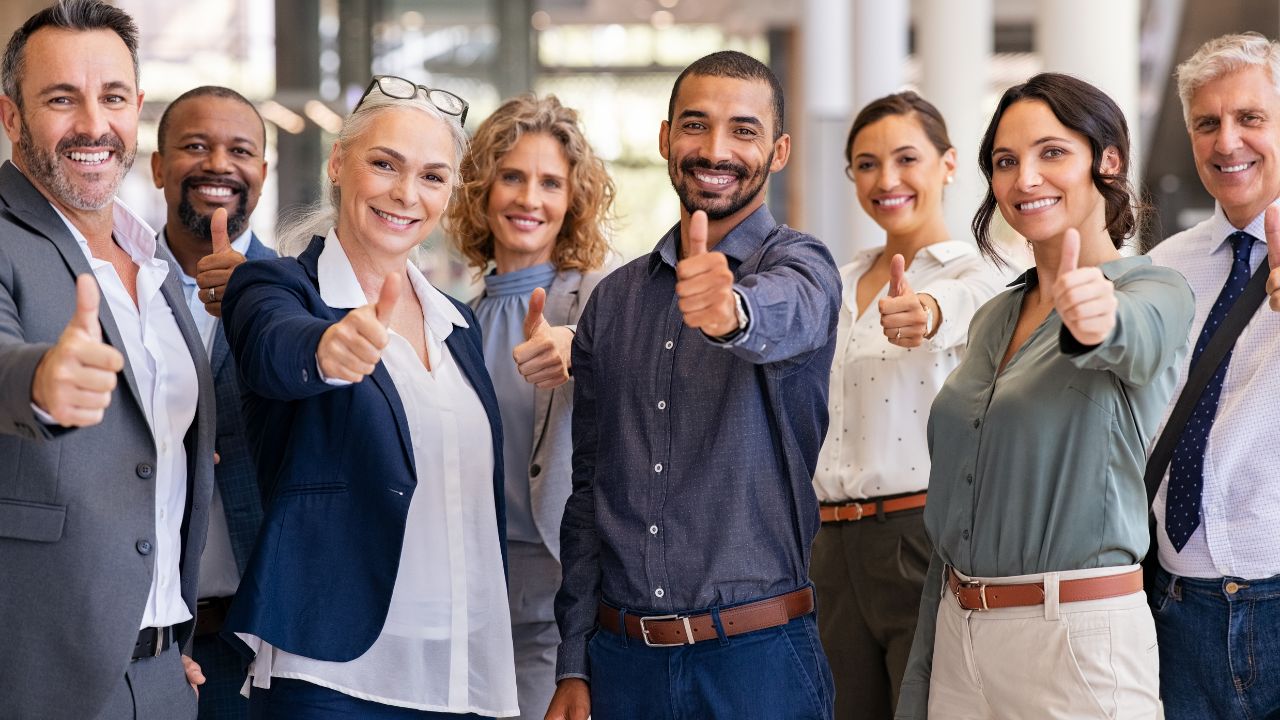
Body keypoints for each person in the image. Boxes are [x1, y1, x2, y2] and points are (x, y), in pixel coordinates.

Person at [545, 50, 841, 720]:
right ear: (664, 137)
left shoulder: (802, 264)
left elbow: (790, 310)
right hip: (621, 667)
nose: (715, 149)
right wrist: (574, 661)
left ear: (779, 149)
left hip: (757, 664)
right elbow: (588, 494)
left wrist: (731, 311)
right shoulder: (613, 302)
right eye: (695, 125)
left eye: (743, 130)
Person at [896, 73, 1195, 720]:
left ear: (1107, 161)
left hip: (1076, 640)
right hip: (960, 629)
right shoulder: (993, 319)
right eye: (1006, 161)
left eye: (1052, 152)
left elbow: (1133, 338)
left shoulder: (1155, 290)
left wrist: (1097, 318)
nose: (1025, 177)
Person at [219, 75, 517, 719]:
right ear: (338, 163)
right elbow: (275, 348)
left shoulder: (456, 323)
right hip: (333, 674)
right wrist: (327, 350)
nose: (406, 194)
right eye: (385, 164)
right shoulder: (279, 287)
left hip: (457, 664)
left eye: (433, 177)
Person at [0, 1, 215, 718]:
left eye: (112, 97)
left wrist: (168, 636)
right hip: (31, 684)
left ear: (137, 109)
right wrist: (38, 380)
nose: (93, 124)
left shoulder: (152, 258)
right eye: (61, 99)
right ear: (10, 118)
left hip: (160, 676)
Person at [811, 91, 1004, 719]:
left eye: (905, 159)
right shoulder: (832, 281)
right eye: (866, 164)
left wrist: (925, 311)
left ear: (949, 164)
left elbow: (956, 310)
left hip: (916, 538)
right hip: (826, 548)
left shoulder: (982, 274)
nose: (885, 180)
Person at [445, 93, 615, 720]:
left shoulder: (600, 300)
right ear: (482, 188)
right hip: (465, 581)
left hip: (561, 589)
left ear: (573, 200)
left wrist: (584, 352)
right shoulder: (452, 316)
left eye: (550, 182)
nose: (528, 199)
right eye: (511, 176)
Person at [1145, 32, 1280, 720]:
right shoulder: (1167, 265)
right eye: (1208, 123)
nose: (1227, 142)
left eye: (1250, 118)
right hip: (1175, 599)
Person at [150, 85, 275, 720]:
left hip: (266, 644)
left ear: (262, 171)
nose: (218, 164)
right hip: (144, 639)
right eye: (194, 146)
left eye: (240, 150)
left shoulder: (302, 296)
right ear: (156, 165)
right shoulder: (114, 285)